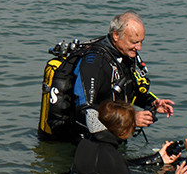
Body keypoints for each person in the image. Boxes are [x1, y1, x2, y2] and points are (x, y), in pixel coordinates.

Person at [43, 10, 175, 145]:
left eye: (141, 42)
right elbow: (85, 110)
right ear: (116, 35)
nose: (139, 47)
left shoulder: (124, 55)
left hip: (109, 137)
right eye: (134, 42)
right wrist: (130, 119)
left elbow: (128, 90)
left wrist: (152, 102)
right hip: (81, 142)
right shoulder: (93, 62)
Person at [71, 101, 171, 174]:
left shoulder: (87, 143)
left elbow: (121, 165)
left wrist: (157, 158)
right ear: (123, 131)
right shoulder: (111, 155)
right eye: (132, 125)